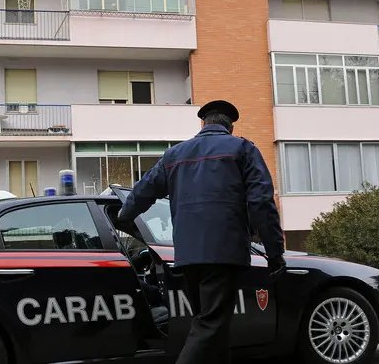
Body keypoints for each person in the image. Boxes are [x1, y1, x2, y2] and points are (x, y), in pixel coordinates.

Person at [117, 100, 287, 364]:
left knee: (212, 326)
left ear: (203, 124)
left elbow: (142, 191)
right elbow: (261, 203)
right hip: (224, 252)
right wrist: (275, 252)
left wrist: (123, 217)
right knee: (210, 324)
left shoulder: (174, 155)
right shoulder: (243, 149)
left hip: (186, 256)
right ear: (229, 126)